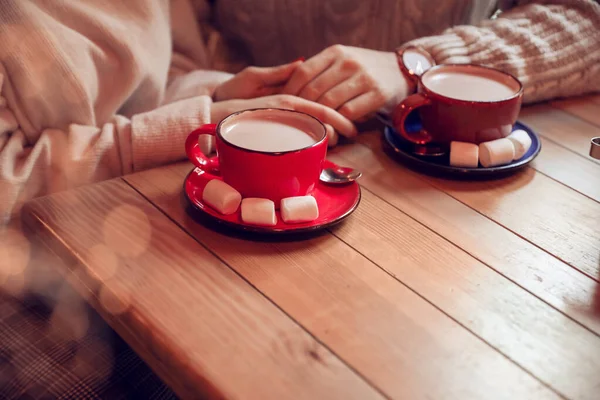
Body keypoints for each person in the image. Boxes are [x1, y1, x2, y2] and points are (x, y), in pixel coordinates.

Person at [0, 0, 598, 398]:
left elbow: (588, 19)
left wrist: (417, 65)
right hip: (219, 220)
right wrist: (212, 98)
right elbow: (178, 67)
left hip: (449, 227)